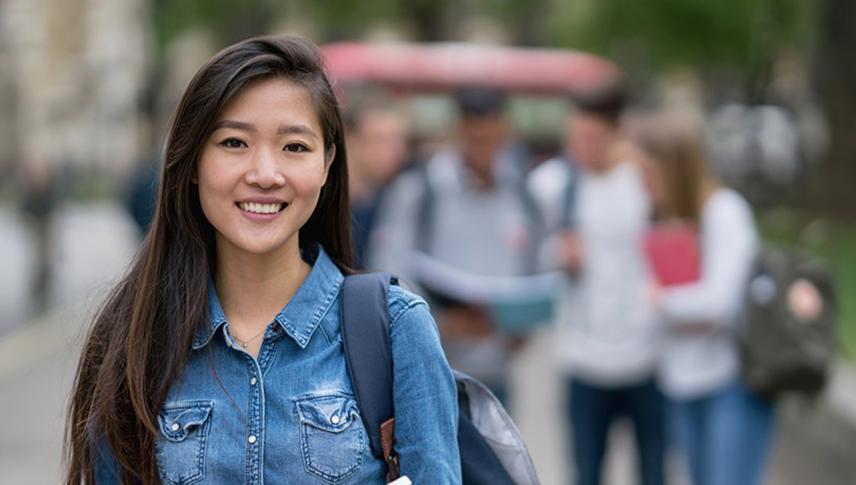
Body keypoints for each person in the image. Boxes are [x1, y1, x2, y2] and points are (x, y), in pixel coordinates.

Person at [65, 36, 460, 484]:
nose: (265, 175)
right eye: (234, 143)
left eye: (295, 147)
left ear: (328, 164)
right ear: (193, 161)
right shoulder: (134, 336)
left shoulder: (396, 329)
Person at [369, 86, 542, 406]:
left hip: (496, 375)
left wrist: (524, 324)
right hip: (432, 374)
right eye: (476, 140)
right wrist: (441, 324)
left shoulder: (521, 192)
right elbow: (388, 274)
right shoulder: (420, 190)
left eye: (493, 140)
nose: (484, 151)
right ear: (458, 131)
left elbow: (533, 263)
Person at [529, 85, 665, 485]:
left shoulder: (644, 181)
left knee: (653, 469)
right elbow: (527, 253)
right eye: (573, 137)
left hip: (647, 355)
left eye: (591, 138)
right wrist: (559, 254)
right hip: (583, 357)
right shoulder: (554, 185)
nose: (580, 148)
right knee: (586, 471)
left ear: (618, 133)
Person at [631, 111, 775, 485]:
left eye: (649, 171)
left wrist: (663, 301)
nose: (642, 182)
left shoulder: (725, 212)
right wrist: (667, 303)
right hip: (681, 381)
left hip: (732, 382)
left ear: (674, 168)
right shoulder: (660, 220)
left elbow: (718, 305)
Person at [344, 93, 410, 269]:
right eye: (381, 140)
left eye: (398, 141)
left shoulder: (391, 199)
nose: (395, 151)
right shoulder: (317, 203)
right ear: (349, 139)